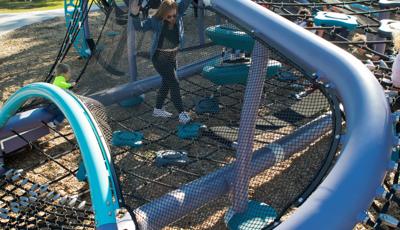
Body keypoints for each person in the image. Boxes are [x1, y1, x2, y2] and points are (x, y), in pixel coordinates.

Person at [131, 0, 191, 124]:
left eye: (174, 15)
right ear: (163, 14)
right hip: (160, 57)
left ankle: (158, 109)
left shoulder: (178, 12)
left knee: (166, 83)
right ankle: (182, 113)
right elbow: (138, 27)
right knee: (174, 82)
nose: (172, 18)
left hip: (173, 55)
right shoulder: (155, 21)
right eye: (169, 16)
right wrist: (135, 14)